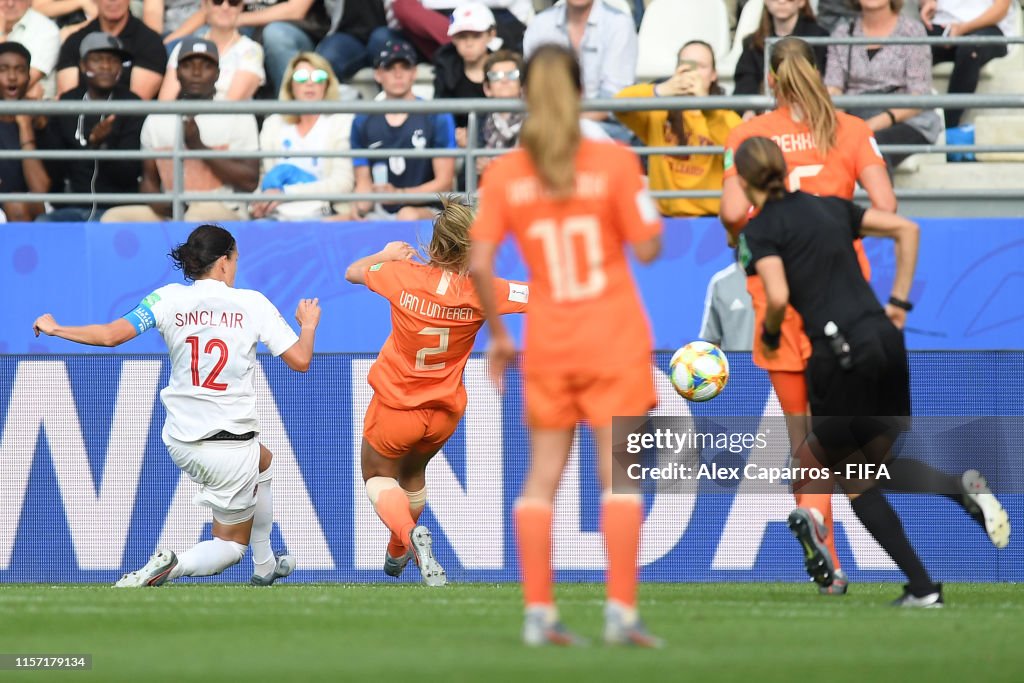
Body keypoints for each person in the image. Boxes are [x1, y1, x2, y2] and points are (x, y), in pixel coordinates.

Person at [470, 44, 663, 647]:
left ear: (525, 93)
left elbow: (478, 260)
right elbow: (651, 245)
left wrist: (501, 337)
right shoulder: (613, 163)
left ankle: (538, 615)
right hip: (613, 337)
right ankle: (621, 614)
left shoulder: (504, 173)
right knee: (620, 477)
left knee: (540, 480)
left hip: (548, 341)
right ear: (580, 91)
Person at [32, 223, 320, 588]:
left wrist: (57, 329)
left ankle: (265, 564)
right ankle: (174, 565)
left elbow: (109, 336)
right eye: (235, 259)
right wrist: (308, 325)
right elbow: (300, 360)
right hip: (229, 446)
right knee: (230, 546)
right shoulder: (252, 303)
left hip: (180, 440)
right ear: (223, 262)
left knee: (264, 460)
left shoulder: (166, 299)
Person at [721, 36, 896, 595]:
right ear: (821, 75)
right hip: (843, 299)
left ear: (770, 80)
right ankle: (830, 533)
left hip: (775, 296)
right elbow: (887, 209)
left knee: (804, 439)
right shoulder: (851, 129)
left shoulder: (746, 134)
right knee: (840, 440)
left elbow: (730, 212)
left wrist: (743, 236)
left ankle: (827, 556)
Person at [734, 135, 941, 605]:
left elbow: (779, 296)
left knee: (823, 465)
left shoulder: (760, 230)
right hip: (886, 339)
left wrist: (768, 334)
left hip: (837, 351)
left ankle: (817, 524)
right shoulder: (831, 205)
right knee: (867, 466)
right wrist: (899, 303)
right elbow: (908, 229)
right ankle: (929, 572)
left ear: (745, 181)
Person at [344, 197, 528, 586]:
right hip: (443, 414)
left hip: (396, 407)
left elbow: (353, 272)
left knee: (377, 476)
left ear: (436, 242)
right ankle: (397, 553)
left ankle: (408, 536)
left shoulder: (400, 274)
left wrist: (386, 253)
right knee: (413, 474)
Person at [101, 37, 259, 222]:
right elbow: (148, 179)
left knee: (195, 217)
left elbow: (250, 181)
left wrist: (199, 147)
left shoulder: (236, 113)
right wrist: (160, 204)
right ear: (177, 73)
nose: (197, 72)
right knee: (113, 218)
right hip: (173, 211)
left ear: (217, 73)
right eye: (188, 65)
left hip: (225, 211)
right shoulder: (157, 118)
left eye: (205, 66)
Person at [616, 40, 740, 217]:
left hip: (709, 220)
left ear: (714, 75)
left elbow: (738, 154)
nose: (693, 74)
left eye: (701, 67)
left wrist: (706, 106)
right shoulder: (658, 114)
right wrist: (663, 89)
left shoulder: (726, 117)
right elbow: (619, 104)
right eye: (687, 66)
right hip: (664, 218)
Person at [37, 33, 143, 222]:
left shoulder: (132, 104)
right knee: (44, 223)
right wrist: (44, 131)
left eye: (113, 60)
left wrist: (103, 146)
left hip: (117, 210)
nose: (106, 66)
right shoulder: (68, 102)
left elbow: (129, 173)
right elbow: (55, 170)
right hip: (73, 206)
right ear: (83, 65)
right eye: (97, 60)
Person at [825, 0, 943, 170]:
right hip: (855, 114)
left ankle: (881, 197)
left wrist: (871, 125)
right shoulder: (843, 33)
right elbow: (833, 87)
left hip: (906, 119)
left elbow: (919, 95)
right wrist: (842, 124)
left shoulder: (912, 31)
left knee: (873, 146)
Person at [350, 39, 455, 220]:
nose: (398, 74)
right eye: (390, 67)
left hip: (430, 209)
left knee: (407, 215)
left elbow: (444, 182)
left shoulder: (437, 116)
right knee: (350, 218)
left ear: (414, 72)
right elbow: (363, 180)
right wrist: (360, 206)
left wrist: (400, 193)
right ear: (378, 74)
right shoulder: (362, 120)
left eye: (405, 67)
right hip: (380, 210)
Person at [253, 52, 354, 220]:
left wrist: (287, 193)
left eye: (318, 76)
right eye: (301, 77)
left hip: (324, 216)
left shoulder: (341, 122)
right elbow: (263, 178)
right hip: (276, 217)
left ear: (327, 84)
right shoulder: (273, 123)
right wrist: (256, 204)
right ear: (290, 85)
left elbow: (343, 183)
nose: (310, 83)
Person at [523, 0, 637, 142]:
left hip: (608, 129)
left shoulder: (619, 23)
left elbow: (615, 99)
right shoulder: (540, 24)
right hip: (548, 124)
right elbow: (534, 88)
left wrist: (565, 122)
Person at [920, 0, 1018, 128]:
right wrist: (928, 2)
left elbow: (1000, 9)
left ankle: (947, 129)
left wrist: (961, 29)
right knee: (907, 46)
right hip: (942, 25)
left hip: (990, 27)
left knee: (970, 48)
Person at [56, 0, 167, 99]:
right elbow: (68, 100)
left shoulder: (150, 41)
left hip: (129, 120)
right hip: (80, 118)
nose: (113, 1)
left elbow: (136, 104)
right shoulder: (74, 41)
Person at [732, 0, 828, 114]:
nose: (781, 1)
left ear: (802, 2)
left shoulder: (820, 39)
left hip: (809, 113)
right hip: (764, 115)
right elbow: (745, 82)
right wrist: (749, 109)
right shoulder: (752, 43)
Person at [158, 0, 264, 101]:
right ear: (204, 5)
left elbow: (232, 104)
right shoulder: (183, 47)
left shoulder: (251, 50)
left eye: (233, 2)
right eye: (217, 1)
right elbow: (165, 102)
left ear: (241, 7)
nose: (225, 7)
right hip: (184, 115)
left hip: (230, 118)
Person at [433, 2, 496, 147]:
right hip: (455, 144)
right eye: (462, 36)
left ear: (491, 35)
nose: (468, 43)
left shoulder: (504, 68)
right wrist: (454, 133)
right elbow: (440, 115)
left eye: (476, 36)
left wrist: (477, 138)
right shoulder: (445, 70)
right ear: (453, 39)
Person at [0, 42, 48, 222]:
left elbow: (40, 189)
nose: (12, 77)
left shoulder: (42, 120)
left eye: (19, 70)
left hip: (30, 204)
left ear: (29, 76)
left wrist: (25, 126)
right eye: (3, 69)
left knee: (17, 205)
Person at [476, 48, 523, 178]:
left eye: (512, 75)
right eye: (496, 76)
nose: (504, 81)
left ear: (522, 85)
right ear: (487, 88)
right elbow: (466, 179)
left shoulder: (537, 121)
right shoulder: (477, 122)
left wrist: (494, 168)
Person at [0, 0, 60, 95]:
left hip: (31, 108)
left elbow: (15, 87)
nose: (10, 3)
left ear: (30, 1)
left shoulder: (46, 30)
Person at [700, 257, 754, 352]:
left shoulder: (785, 278)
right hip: (735, 365)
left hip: (778, 366)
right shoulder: (720, 283)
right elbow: (712, 342)